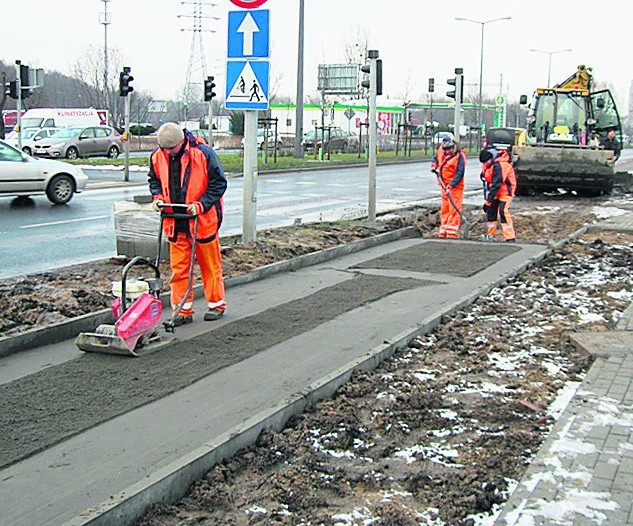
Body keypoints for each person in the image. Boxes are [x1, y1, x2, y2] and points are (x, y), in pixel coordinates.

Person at [148, 122, 228, 325]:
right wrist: (157, 197)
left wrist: (201, 204)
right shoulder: (158, 156)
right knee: (179, 270)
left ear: (181, 142)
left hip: (202, 222)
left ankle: (216, 304)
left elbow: (219, 184)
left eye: (171, 149)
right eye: (164, 149)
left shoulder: (203, 154)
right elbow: (154, 180)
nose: (168, 152)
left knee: (210, 266)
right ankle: (183, 310)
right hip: (175, 223)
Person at [430, 137, 466, 239]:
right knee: (445, 209)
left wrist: (451, 185)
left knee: (454, 209)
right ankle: (443, 230)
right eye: (445, 149)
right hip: (444, 185)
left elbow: (460, 173)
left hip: (455, 187)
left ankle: (451, 233)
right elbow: (436, 158)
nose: (447, 151)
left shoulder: (459, 156)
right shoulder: (441, 151)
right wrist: (434, 165)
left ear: (453, 147)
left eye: (449, 149)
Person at [479, 148, 517, 243]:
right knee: (491, 212)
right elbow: (489, 180)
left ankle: (510, 237)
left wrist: (488, 201)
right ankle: (490, 234)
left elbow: (497, 183)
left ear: (491, 158)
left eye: (486, 162)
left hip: (505, 191)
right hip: (496, 191)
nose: (485, 164)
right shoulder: (489, 165)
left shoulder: (501, 165)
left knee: (503, 212)